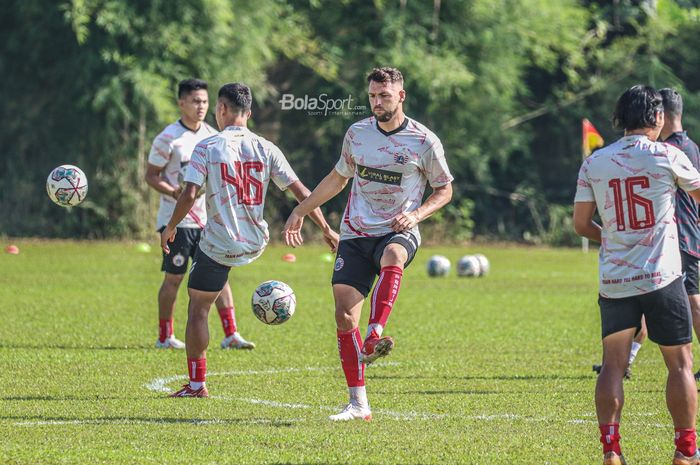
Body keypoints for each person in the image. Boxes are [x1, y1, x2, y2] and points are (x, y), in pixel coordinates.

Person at [283, 67, 453, 421]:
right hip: (356, 232)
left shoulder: (424, 141)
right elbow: (337, 178)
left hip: (398, 229)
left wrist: (417, 215)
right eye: (373, 96)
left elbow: (444, 189)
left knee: (394, 253)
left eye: (384, 96)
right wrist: (301, 209)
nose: (377, 102)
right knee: (344, 315)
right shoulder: (357, 134)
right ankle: (358, 404)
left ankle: (375, 333)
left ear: (401, 96)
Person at [162, 82, 338, 398]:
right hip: (257, 240)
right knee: (212, 282)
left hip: (220, 243)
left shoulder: (208, 146)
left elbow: (190, 193)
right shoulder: (267, 147)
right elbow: (302, 193)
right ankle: (232, 332)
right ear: (250, 113)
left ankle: (197, 385)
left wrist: (171, 226)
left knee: (198, 307)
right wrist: (326, 229)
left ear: (222, 109)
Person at [574, 84, 700, 465]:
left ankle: (611, 452)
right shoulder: (668, 154)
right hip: (662, 276)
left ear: (619, 119)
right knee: (679, 363)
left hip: (615, 280)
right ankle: (686, 452)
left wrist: (613, 239)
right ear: (657, 118)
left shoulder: (594, 162)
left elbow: (581, 224)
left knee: (613, 363)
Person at [146, 79, 254, 351]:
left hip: (209, 221)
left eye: (205, 101)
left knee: (219, 276)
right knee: (174, 278)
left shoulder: (212, 136)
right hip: (178, 221)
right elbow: (151, 175)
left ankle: (231, 334)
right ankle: (164, 336)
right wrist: (174, 193)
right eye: (195, 101)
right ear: (181, 103)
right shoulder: (168, 138)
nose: (201, 106)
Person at [659, 88, 700, 380]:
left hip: (683, 239)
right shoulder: (691, 145)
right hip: (686, 236)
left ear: (662, 116)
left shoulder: (671, 151)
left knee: (694, 302)